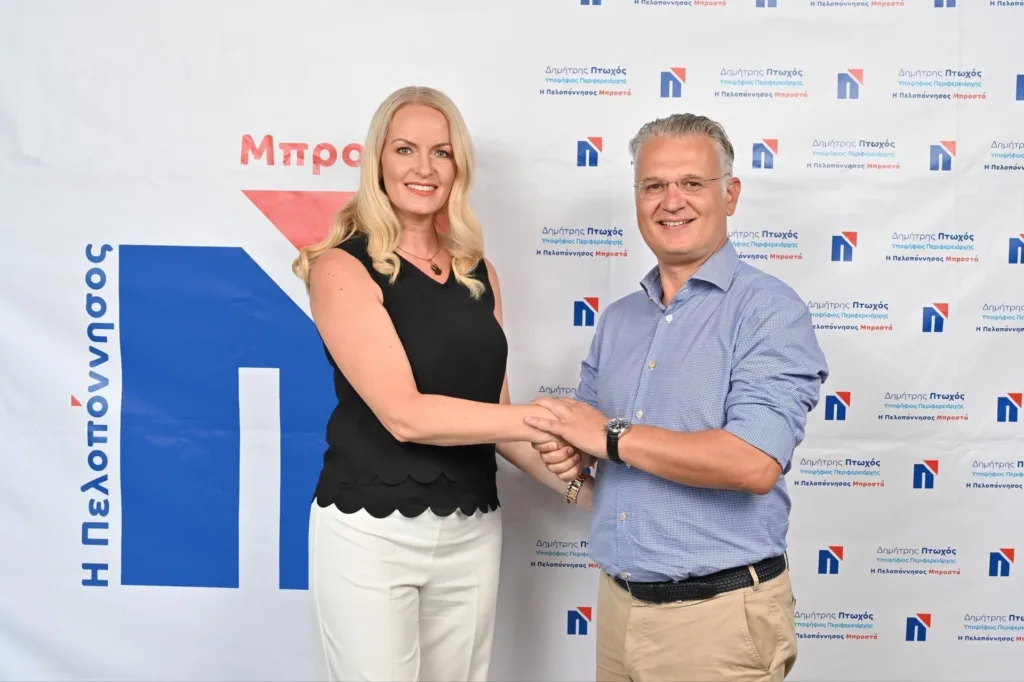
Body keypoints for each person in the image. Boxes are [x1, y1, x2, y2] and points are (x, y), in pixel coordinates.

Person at [292, 85, 591, 682]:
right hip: (370, 530)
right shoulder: (340, 267)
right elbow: (406, 415)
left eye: (442, 152)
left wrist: (590, 490)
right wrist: (551, 417)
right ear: (379, 161)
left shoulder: (479, 272)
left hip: (473, 529)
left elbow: (496, 420)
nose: (424, 168)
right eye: (405, 149)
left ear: (459, 168)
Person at [526, 113, 829, 682]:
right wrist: (570, 456)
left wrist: (609, 438)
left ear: (729, 195)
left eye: (692, 183)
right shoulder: (618, 320)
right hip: (617, 607)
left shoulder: (768, 310)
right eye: (653, 185)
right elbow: (585, 451)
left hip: (715, 621)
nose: (672, 201)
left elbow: (754, 462)